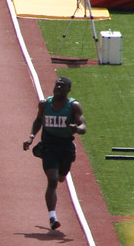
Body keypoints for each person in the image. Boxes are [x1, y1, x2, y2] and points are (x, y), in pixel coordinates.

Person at [22, 77, 86, 231]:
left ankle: (64, 169)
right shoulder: (45, 104)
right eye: (56, 84)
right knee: (52, 180)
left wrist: (76, 129)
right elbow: (38, 121)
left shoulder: (73, 106)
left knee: (61, 177)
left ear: (68, 90)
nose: (58, 87)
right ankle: (52, 217)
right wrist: (31, 137)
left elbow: (83, 126)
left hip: (65, 148)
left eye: (62, 86)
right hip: (49, 146)